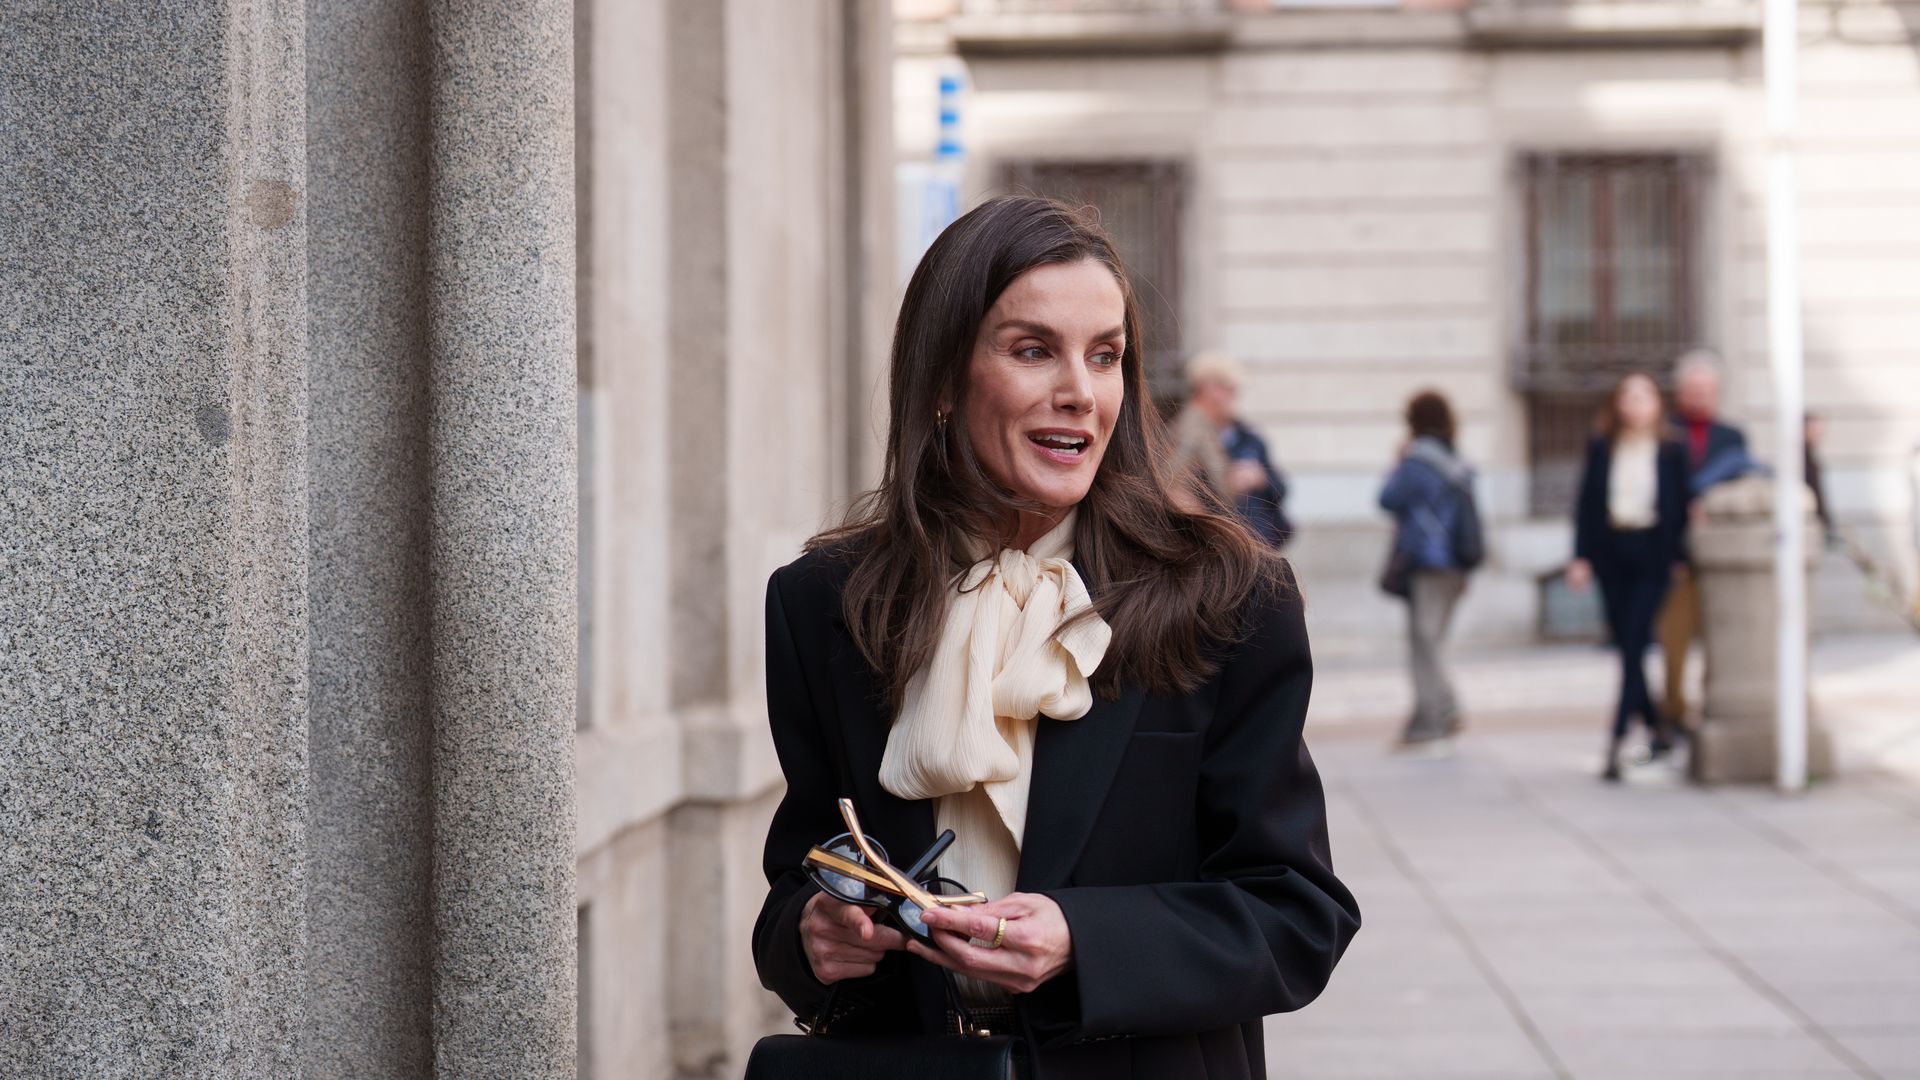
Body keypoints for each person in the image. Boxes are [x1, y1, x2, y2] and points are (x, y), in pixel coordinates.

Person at [752, 195, 1360, 1079]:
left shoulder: (1230, 596)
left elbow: (1298, 915)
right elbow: (800, 877)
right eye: (1034, 350)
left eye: (1106, 356)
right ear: (944, 382)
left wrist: (1084, 938)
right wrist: (813, 936)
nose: (1081, 391)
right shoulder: (824, 604)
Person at [1566, 373, 1690, 781]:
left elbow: (1682, 506)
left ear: (1657, 403)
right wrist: (1581, 557)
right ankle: (1658, 728)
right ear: (1618, 403)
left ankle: (1616, 742)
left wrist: (1678, 555)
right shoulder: (1602, 446)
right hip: (1612, 554)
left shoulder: (1671, 448)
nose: (1636, 404)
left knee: (1633, 644)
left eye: (1644, 396)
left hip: (1652, 555)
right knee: (1627, 645)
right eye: (1629, 396)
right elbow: (1586, 504)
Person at [1377, 391, 1476, 749]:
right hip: (1457, 564)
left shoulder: (1417, 460)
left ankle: (1434, 718)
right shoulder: (1455, 459)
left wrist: (1398, 461)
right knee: (1432, 641)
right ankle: (1436, 712)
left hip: (1428, 562)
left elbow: (1387, 498)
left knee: (1425, 643)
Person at [1659, 350, 1749, 723]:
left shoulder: (1731, 437)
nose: (1699, 396)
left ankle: (1717, 706)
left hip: (1719, 556)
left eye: (1706, 390)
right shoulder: (1664, 433)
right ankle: (1674, 714)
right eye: (1693, 389)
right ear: (1680, 392)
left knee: (1722, 641)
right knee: (1673, 643)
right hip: (1675, 558)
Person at [1175, 351, 1294, 548]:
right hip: (1222, 549)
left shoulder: (1248, 436)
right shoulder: (1188, 433)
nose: (1234, 395)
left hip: (1259, 546)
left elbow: (1281, 489)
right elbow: (1175, 491)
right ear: (1208, 389)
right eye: (1228, 388)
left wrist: (1261, 478)